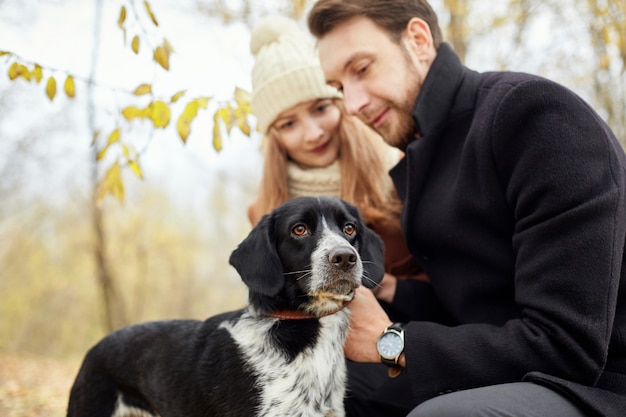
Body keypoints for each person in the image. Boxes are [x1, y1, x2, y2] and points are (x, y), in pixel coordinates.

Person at [307, 1, 626, 417]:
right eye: (339, 87)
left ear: (419, 41)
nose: (352, 104)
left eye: (362, 69)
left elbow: (566, 344)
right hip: (516, 373)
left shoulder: (531, 115)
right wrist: (384, 289)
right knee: (314, 383)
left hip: (598, 386)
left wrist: (390, 341)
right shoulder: (425, 153)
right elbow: (482, 311)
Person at [247, 14, 433, 328]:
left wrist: (384, 284)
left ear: (342, 104)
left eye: (321, 108)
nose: (313, 133)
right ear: (274, 135)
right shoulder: (265, 212)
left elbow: (454, 290)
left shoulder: (402, 174)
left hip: (416, 339)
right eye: (288, 123)